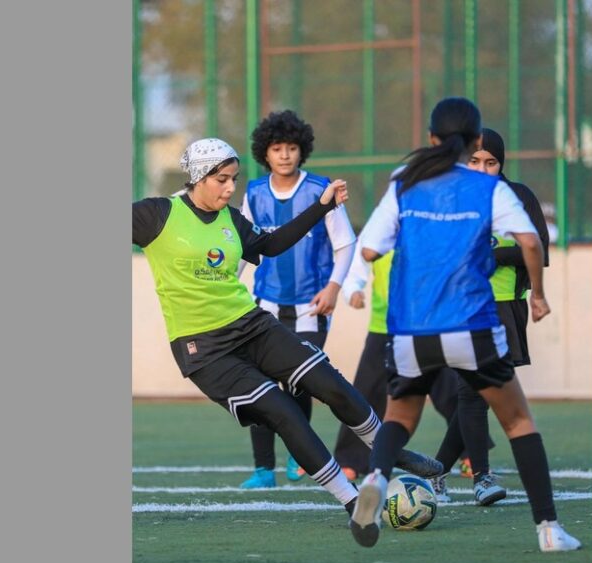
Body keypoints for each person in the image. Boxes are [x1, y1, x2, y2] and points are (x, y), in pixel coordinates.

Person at [132, 138, 442, 517]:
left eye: (234, 179)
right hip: (205, 351)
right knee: (284, 412)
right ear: (198, 177)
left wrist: (322, 206)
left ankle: (392, 451)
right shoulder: (156, 214)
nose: (231, 188)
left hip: (252, 325)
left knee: (330, 384)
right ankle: (352, 502)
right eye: (223, 180)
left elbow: (273, 244)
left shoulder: (231, 219)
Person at [347, 98, 581, 552]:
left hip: (411, 327)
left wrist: (357, 284)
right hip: (472, 324)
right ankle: (549, 529)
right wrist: (537, 293)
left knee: (400, 415)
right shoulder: (489, 190)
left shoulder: (405, 182)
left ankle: (377, 476)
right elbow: (532, 242)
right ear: (475, 141)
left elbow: (370, 248)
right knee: (517, 421)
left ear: (433, 139)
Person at [430, 127, 551, 506]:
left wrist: (493, 255)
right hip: (467, 306)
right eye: (475, 161)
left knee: (484, 392)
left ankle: (436, 470)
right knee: (473, 391)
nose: (483, 169)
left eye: (491, 162)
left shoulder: (519, 197)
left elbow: (539, 251)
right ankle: (481, 477)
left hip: (508, 305)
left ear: (502, 164)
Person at [237, 110, 357, 489]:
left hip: (311, 307)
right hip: (266, 305)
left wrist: (334, 287)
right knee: (259, 386)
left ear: (301, 150)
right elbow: (242, 246)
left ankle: (297, 458)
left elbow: (345, 243)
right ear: (265, 153)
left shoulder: (320, 190)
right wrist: (230, 285)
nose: (285, 155)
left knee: (300, 381)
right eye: (277, 148)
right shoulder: (254, 193)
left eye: (291, 148)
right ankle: (262, 469)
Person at [331, 239, 467, 481]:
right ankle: (350, 459)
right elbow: (355, 273)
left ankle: (471, 454)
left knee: (450, 390)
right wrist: (353, 293)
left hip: (427, 326)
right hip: (384, 328)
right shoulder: (378, 230)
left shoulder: (428, 227)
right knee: (365, 394)